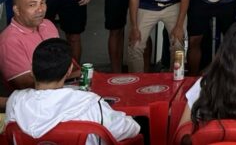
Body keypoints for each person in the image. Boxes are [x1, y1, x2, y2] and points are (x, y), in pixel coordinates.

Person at [5, 38, 140, 144]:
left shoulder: (15, 102)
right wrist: (131, 119)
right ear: (69, 70)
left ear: (32, 70)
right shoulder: (90, 104)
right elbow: (129, 129)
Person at [0, 0, 61, 89]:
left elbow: (64, 60)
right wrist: (69, 75)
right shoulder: (9, 41)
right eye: (32, 5)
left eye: (42, 2)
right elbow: (26, 84)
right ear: (16, 10)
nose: (40, 9)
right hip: (35, 97)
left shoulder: (48, 24)